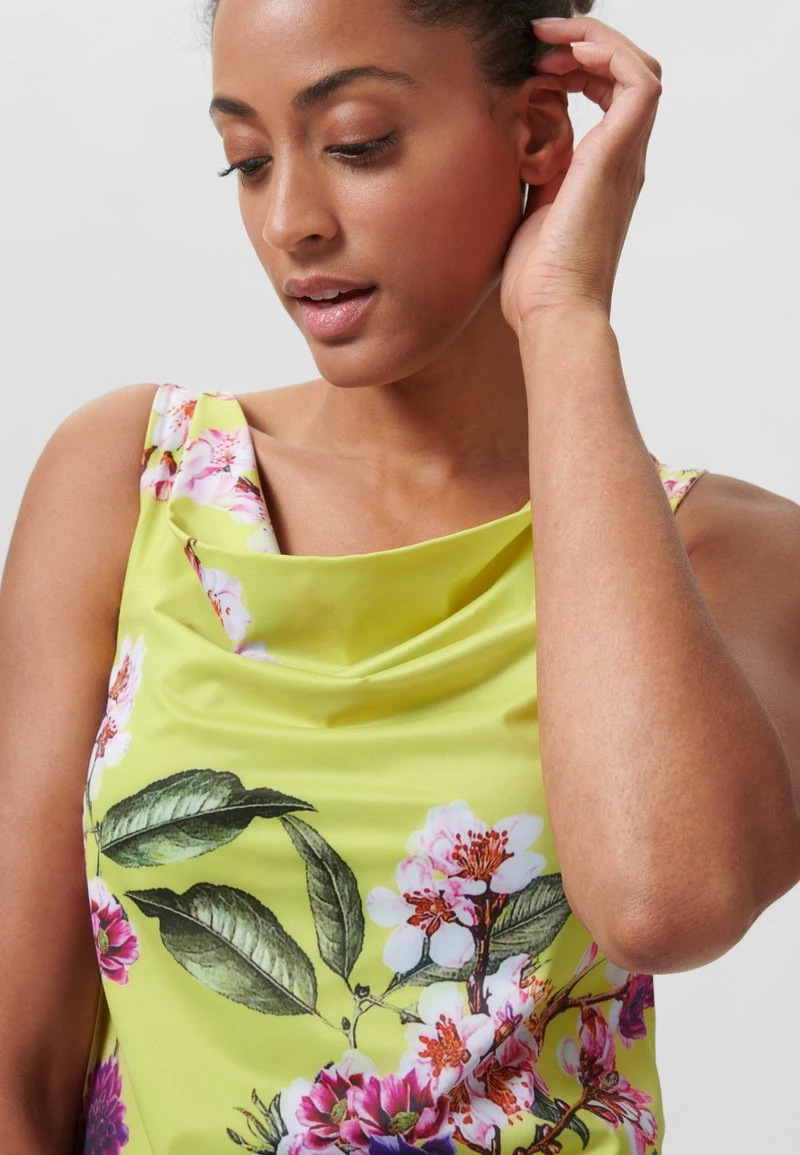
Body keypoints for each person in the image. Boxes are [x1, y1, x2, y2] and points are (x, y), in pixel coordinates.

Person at [1, 1, 798, 1152]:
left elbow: (661, 906)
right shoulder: (132, 482)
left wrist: (564, 320)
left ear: (537, 135)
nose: (290, 221)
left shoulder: (729, 556)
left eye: (357, 144)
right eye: (247, 159)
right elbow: (17, 1061)